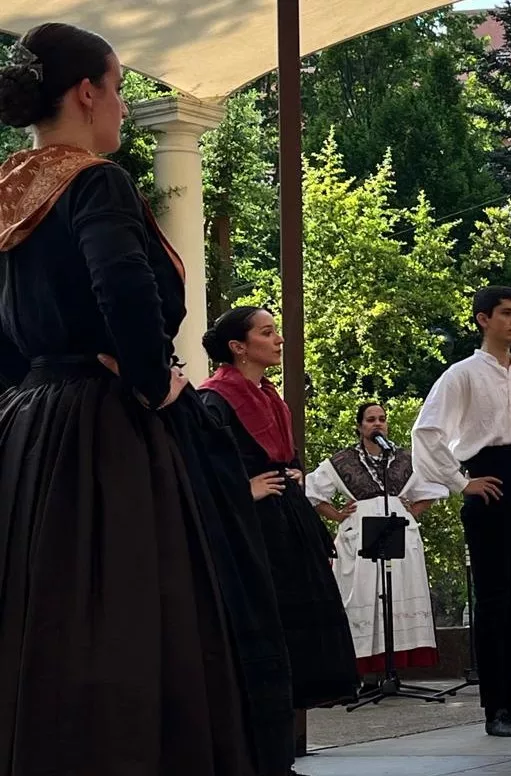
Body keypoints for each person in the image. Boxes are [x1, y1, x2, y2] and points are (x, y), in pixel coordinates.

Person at [0, 24, 293, 775]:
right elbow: (124, 286)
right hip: (106, 430)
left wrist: (23, 389)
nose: (126, 107)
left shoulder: (9, 190)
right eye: (119, 88)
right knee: (134, 609)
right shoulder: (95, 182)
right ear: (86, 93)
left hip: (28, 427)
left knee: (41, 611)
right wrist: (151, 378)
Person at [412, 286, 511, 737]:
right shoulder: (462, 375)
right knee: (493, 601)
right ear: (483, 319)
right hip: (489, 485)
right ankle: (494, 709)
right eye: (505, 313)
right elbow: (427, 432)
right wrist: (461, 482)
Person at [200, 308, 359, 743]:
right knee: (265, 626)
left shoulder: (269, 396)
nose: (278, 339)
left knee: (295, 630)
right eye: (267, 333)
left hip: (286, 525)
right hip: (252, 531)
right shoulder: (214, 398)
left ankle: (282, 746)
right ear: (238, 346)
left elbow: (284, 456)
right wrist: (243, 489)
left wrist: (295, 472)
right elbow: (204, 466)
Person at [305, 402, 446, 680]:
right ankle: (366, 673)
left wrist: (412, 511)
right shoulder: (343, 461)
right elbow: (311, 491)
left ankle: (392, 670)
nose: (378, 423)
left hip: (398, 534)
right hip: (361, 537)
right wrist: (337, 515)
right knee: (364, 594)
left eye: (382, 418)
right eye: (371, 419)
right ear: (359, 426)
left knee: (397, 594)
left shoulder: (404, 459)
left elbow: (434, 486)